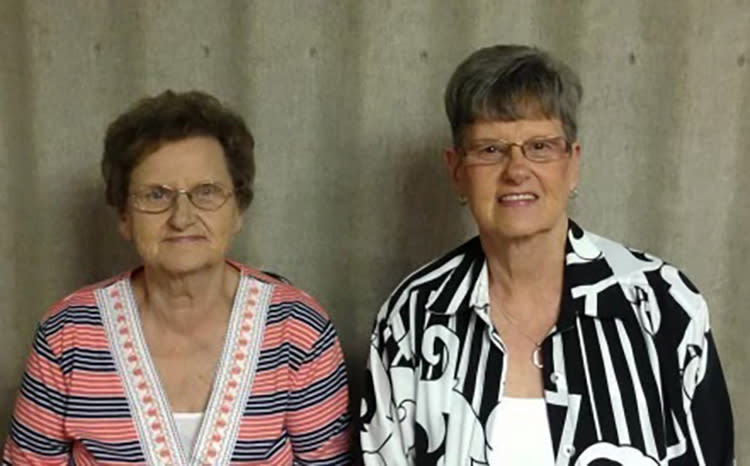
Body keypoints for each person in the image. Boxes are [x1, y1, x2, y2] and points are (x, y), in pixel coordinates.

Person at [359, 45, 733, 465]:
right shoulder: (412, 318)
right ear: (457, 171)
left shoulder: (663, 306)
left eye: (540, 146)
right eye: (490, 150)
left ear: (573, 164)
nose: (517, 170)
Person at [3, 90, 351, 465]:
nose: (182, 217)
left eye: (207, 192)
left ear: (238, 210)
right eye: (155, 195)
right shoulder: (67, 334)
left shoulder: (298, 330)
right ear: (123, 216)